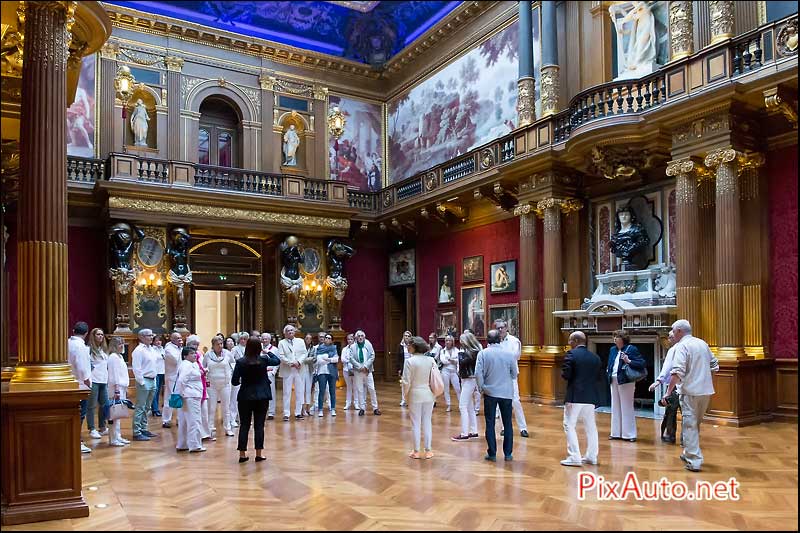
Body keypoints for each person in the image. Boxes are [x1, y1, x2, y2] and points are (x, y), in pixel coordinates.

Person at [664, 320, 718, 472]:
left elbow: (677, 372)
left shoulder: (682, 346)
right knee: (695, 424)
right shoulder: (702, 343)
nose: (672, 333)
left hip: (690, 392)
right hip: (706, 391)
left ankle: (694, 461)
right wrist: (705, 378)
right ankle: (688, 452)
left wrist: (668, 392)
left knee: (689, 425)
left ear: (680, 331)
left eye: (673, 330)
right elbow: (715, 364)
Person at [233, 337, 281, 462]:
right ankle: (259, 454)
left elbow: (234, 382)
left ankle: (242, 454)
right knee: (259, 425)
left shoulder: (240, 362)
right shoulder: (263, 360)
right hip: (262, 396)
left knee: (244, 425)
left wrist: (242, 381)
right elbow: (277, 361)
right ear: (259, 348)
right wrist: (267, 352)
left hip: (245, 396)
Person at [560, 331, 603, 466]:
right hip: (591, 397)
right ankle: (591, 456)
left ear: (576, 341)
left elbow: (566, 375)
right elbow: (598, 378)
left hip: (575, 396)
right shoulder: (595, 357)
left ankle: (574, 457)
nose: (569, 344)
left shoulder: (571, 355)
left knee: (569, 425)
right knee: (591, 427)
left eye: (570, 341)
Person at [476, 329, 518, 462]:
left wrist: (482, 388)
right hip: (506, 392)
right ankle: (508, 454)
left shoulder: (483, 353)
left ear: (487, 340)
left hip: (490, 392)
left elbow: (478, 373)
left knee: (490, 423)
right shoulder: (509, 353)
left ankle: (492, 453)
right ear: (500, 339)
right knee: (507, 424)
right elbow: (514, 373)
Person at [402, 336, 437, 459]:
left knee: (415, 423)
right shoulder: (431, 360)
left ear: (414, 346)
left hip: (415, 395)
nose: (407, 347)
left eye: (409, 345)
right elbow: (435, 378)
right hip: (429, 394)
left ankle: (416, 451)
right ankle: (428, 450)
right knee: (427, 422)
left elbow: (406, 382)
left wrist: (405, 396)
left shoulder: (410, 362)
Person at [607, 329, 645, 442]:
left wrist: (628, 361)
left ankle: (629, 434)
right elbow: (611, 362)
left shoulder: (631, 349)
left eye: (617, 337)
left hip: (626, 380)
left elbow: (641, 363)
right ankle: (615, 433)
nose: (614, 339)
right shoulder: (612, 349)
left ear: (623, 339)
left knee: (626, 406)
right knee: (615, 406)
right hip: (613, 379)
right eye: (614, 336)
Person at [496, 319, 529, 438]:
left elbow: (514, 356)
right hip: (499, 375)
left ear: (506, 328)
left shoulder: (514, 341)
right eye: (498, 328)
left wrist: (500, 355)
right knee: (501, 402)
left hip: (511, 375)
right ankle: (504, 427)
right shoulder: (495, 341)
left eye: (502, 327)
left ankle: (523, 428)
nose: (500, 330)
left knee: (515, 401)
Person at [650, 331, 681, 443]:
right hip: (686, 385)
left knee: (671, 412)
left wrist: (659, 381)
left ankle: (670, 435)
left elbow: (668, 367)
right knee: (684, 414)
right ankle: (684, 439)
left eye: (671, 337)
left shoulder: (674, 350)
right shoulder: (687, 347)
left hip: (676, 385)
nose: (668, 339)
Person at [451, 331, 482, 441]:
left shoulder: (472, 353)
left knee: (462, 406)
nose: (460, 342)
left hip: (470, 379)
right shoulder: (470, 351)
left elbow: (463, 364)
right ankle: (474, 431)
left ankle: (464, 433)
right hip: (466, 379)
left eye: (462, 340)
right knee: (469, 406)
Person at [68, 321, 92, 453]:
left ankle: (71, 438)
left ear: (73, 331)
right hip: (80, 384)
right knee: (80, 414)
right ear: (86, 333)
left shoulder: (67, 342)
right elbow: (82, 367)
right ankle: (77, 441)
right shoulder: (81, 346)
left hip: (68, 382)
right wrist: (88, 382)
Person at [203, 337, 235, 437]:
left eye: (221, 344)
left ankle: (228, 428)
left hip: (225, 384)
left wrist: (231, 374)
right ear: (213, 345)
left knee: (226, 407)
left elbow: (233, 364)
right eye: (218, 344)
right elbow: (203, 366)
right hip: (212, 385)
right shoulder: (208, 355)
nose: (220, 346)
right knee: (211, 407)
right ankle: (210, 428)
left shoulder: (227, 354)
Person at [131, 329, 159, 441]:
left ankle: (143, 428)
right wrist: (141, 382)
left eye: (152, 335)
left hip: (152, 380)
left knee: (147, 407)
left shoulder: (151, 349)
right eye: (149, 335)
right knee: (140, 407)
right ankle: (136, 431)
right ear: (141, 337)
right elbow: (136, 368)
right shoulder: (138, 350)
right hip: (144, 380)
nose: (151, 337)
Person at [176, 347, 205, 453]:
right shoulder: (186, 365)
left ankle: (182, 444)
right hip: (190, 396)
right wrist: (183, 393)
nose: (194, 355)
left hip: (189, 395)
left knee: (184, 421)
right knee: (194, 420)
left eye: (195, 353)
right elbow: (182, 380)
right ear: (185, 356)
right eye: (191, 353)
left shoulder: (191, 364)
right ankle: (195, 445)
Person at [186, 335, 213, 441]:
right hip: (192, 388)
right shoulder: (186, 356)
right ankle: (196, 437)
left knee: (204, 411)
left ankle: (205, 433)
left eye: (197, 344)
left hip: (201, 385)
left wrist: (204, 371)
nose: (196, 346)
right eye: (194, 344)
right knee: (195, 415)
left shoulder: (200, 354)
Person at [278, 324, 306, 421]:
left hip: (299, 368)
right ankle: (286, 413)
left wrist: (298, 362)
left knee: (299, 391)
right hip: (288, 369)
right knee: (286, 392)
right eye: (288, 331)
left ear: (295, 332)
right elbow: (281, 356)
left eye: (292, 330)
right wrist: (291, 363)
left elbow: (304, 353)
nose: (290, 332)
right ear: (285, 333)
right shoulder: (281, 342)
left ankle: (298, 412)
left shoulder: (300, 341)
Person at [106, 336, 130, 447]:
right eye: (120, 344)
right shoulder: (113, 357)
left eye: (123, 343)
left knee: (119, 413)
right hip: (116, 388)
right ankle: (113, 438)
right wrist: (116, 390)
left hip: (121, 388)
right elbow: (114, 375)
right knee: (114, 414)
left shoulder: (119, 357)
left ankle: (118, 436)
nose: (122, 346)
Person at [86, 328, 110, 440]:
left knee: (105, 404)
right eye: (98, 334)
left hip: (103, 380)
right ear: (93, 336)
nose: (100, 336)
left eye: (102, 334)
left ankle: (102, 426)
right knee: (91, 406)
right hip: (94, 380)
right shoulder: (89, 349)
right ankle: (92, 428)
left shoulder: (104, 349)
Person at [351, 330, 381, 416]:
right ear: (356, 338)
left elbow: (372, 355)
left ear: (364, 337)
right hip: (358, 371)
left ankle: (375, 408)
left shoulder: (368, 344)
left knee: (371, 389)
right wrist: (359, 367)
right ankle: (362, 408)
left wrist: (366, 366)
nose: (360, 337)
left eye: (362, 336)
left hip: (368, 370)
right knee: (360, 390)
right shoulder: (353, 347)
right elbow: (351, 358)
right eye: (358, 336)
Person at [315, 333, 339, 417]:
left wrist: (327, 359)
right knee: (321, 391)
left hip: (331, 372)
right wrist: (330, 360)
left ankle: (333, 409)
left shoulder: (334, 348)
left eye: (329, 338)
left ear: (332, 340)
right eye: (326, 338)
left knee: (332, 391)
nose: (327, 339)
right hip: (322, 372)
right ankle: (320, 410)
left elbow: (336, 359)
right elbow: (319, 361)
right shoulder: (319, 348)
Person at [162, 332, 182, 428]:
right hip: (172, 376)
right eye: (178, 338)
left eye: (180, 338)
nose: (180, 340)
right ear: (172, 339)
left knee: (179, 397)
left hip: (180, 376)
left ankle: (179, 418)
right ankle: (166, 420)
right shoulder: (169, 349)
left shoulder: (179, 348)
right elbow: (175, 360)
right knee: (169, 398)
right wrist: (182, 351)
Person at [229, 332, 249, 427]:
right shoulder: (234, 349)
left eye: (245, 339)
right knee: (234, 398)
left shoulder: (249, 349)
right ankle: (232, 418)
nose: (243, 341)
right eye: (241, 339)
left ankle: (243, 418)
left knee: (246, 398)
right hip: (237, 374)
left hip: (248, 375)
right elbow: (231, 362)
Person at [438, 335, 461, 412]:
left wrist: (452, 360)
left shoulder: (457, 350)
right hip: (445, 371)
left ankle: (461, 405)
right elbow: (443, 361)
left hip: (454, 371)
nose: (447, 342)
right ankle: (448, 405)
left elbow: (459, 360)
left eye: (449, 340)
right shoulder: (442, 351)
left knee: (457, 388)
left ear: (452, 342)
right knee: (446, 388)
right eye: (446, 340)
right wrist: (453, 360)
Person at [260, 333, 279, 420]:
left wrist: (273, 372)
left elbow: (277, 361)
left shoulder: (274, 349)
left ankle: (271, 412)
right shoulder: (258, 348)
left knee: (271, 393)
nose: (264, 340)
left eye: (266, 339)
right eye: (263, 339)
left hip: (270, 373)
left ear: (269, 339)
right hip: (260, 373)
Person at [302, 333, 318, 416]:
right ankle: (302, 409)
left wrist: (304, 360)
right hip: (301, 370)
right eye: (307, 338)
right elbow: (300, 358)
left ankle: (308, 408)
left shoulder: (313, 349)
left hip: (309, 370)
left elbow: (314, 359)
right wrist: (307, 359)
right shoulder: (301, 347)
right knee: (302, 390)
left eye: (310, 338)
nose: (308, 340)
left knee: (308, 390)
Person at [150, 334, 165, 418]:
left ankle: (155, 408)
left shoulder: (163, 349)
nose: (159, 342)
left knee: (159, 391)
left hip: (162, 371)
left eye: (160, 340)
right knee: (155, 391)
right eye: (157, 340)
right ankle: (155, 409)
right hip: (155, 372)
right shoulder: (152, 349)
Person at [341, 333, 356, 410]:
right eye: (348, 339)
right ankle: (348, 403)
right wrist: (349, 360)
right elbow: (343, 359)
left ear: (354, 340)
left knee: (355, 387)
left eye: (351, 339)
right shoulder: (344, 349)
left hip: (355, 370)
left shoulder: (356, 348)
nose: (349, 340)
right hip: (346, 370)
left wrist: (351, 361)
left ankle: (356, 403)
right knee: (349, 387)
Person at [397, 331, 413, 406]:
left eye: (408, 336)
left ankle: (411, 399)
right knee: (404, 384)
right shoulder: (400, 346)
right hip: (404, 366)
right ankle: (403, 400)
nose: (406, 337)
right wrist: (399, 369)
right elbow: (398, 358)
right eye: (405, 336)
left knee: (411, 384)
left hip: (412, 366)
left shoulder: (413, 345)